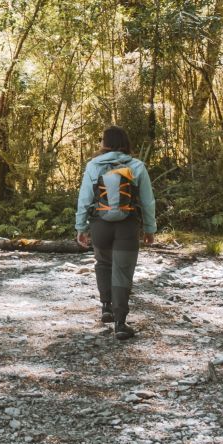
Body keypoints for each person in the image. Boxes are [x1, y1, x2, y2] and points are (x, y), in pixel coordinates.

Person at [75, 125, 156, 340]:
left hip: (99, 224)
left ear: (104, 143)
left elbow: (84, 199)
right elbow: (148, 202)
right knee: (123, 271)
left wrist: (81, 227)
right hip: (127, 225)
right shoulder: (137, 166)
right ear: (125, 143)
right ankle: (120, 324)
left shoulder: (93, 166)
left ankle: (106, 307)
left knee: (103, 263)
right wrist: (150, 228)